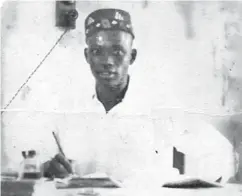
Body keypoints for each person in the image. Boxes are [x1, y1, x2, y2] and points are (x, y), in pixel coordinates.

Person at [2, 8, 236, 185]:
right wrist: (48, 169)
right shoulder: (68, 112)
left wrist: (180, 174)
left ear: (132, 57)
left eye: (118, 52)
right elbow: (25, 165)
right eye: (97, 52)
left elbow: (224, 158)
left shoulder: (161, 109)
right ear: (86, 56)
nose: (106, 61)